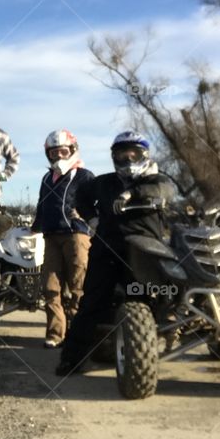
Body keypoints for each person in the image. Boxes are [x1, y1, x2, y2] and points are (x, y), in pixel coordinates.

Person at [56, 131, 175, 376]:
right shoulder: (104, 182)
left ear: (145, 155)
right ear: (114, 157)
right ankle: (72, 359)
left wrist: (133, 194)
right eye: (122, 155)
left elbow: (166, 190)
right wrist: (92, 218)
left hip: (145, 253)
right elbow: (81, 196)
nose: (128, 159)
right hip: (107, 249)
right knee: (91, 304)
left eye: (134, 154)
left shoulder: (156, 180)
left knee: (156, 301)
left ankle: (151, 355)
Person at [31, 130, 96, 349]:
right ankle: (55, 334)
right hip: (51, 236)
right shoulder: (47, 178)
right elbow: (42, 205)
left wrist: (88, 220)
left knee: (79, 284)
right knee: (51, 285)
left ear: (73, 150)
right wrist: (34, 228)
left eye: (63, 151)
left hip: (76, 235)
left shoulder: (84, 175)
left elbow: (96, 204)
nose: (59, 156)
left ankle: (79, 334)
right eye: (54, 152)